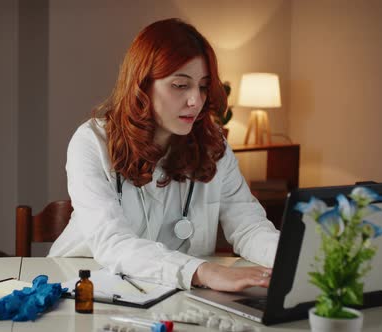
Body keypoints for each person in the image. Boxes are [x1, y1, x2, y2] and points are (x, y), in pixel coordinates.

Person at [49, 18, 279, 292]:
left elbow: (250, 227)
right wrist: (202, 271)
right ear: (143, 84)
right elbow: (113, 242)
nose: (196, 100)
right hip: (87, 288)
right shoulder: (91, 142)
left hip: (173, 294)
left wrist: (299, 264)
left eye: (203, 86)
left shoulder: (213, 145)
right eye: (180, 85)